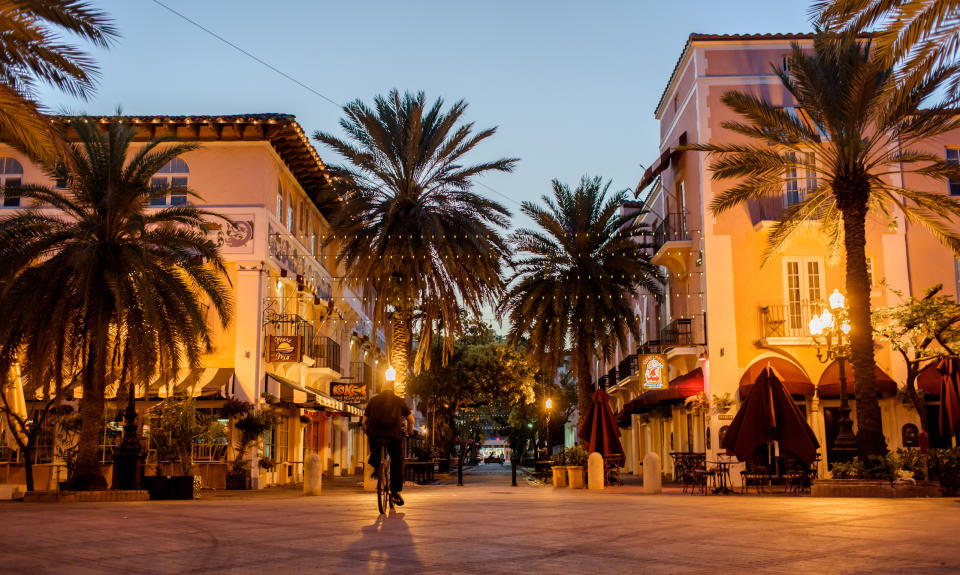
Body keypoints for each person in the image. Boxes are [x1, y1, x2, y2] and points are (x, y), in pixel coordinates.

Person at [362, 380, 414, 507]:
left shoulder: (373, 401)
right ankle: (395, 491)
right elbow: (411, 420)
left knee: (374, 448)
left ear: (381, 388)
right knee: (396, 459)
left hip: (375, 434)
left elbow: (364, 421)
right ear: (393, 389)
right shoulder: (398, 400)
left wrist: (367, 432)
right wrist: (408, 431)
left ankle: (376, 467)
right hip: (393, 435)